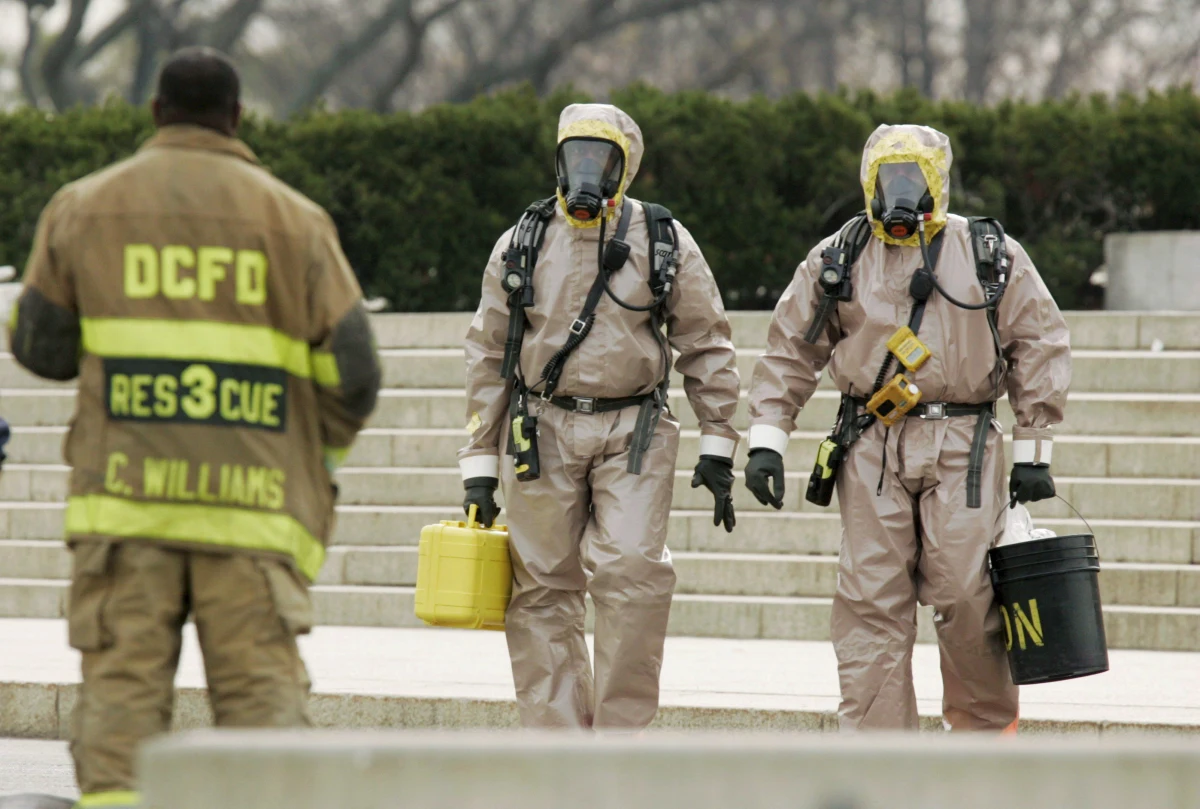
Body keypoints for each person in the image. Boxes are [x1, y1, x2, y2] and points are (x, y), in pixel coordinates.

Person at [10, 47, 380, 806]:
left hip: (126, 507)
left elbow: (40, 346)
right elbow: (356, 375)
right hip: (253, 511)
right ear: (237, 117)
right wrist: (315, 459)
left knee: (120, 721)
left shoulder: (82, 206)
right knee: (262, 725)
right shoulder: (298, 222)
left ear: (156, 112)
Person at [744, 124, 1070, 731]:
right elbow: (790, 349)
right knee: (870, 599)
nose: (899, 193)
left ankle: (981, 740)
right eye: (887, 178)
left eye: (912, 179)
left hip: (964, 441)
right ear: (869, 182)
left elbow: (1038, 341)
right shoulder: (839, 256)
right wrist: (767, 438)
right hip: (871, 440)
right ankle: (881, 755)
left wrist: (1035, 448)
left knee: (968, 595)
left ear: (936, 183)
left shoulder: (988, 253)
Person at [460, 103, 741, 730]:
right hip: (541, 427)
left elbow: (706, 340)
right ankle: (557, 745)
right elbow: (488, 352)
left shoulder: (663, 240)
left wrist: (719, 441)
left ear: (624, 166)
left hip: (634, 428)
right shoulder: (524, 241)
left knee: (634, 573)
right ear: (560, 162)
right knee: (541, 587)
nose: (587, 170)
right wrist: (478, 464)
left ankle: (620, 740)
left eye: (600, 158)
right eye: (576, 156)